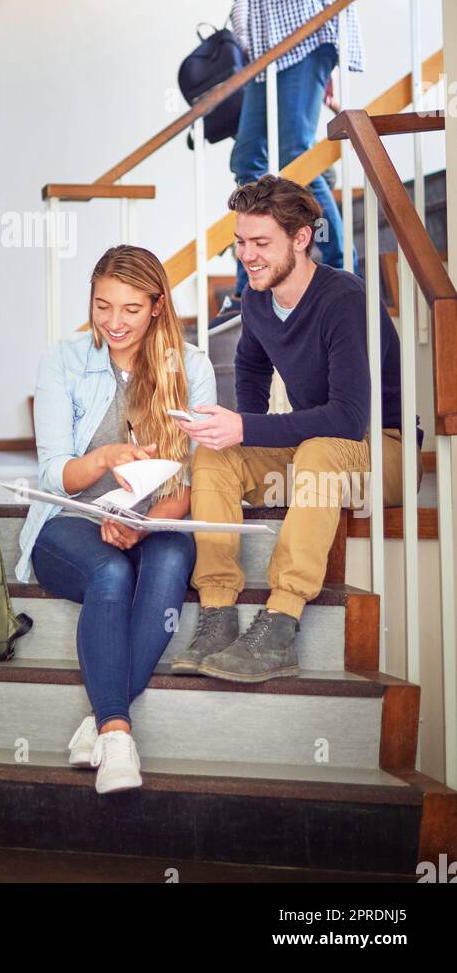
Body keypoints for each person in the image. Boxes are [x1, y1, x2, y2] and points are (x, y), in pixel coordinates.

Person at [173, 175, 422, 683]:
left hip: (381, 450)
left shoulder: (343, 299)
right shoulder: (259, 299)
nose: (248, 255)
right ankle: (218, 611)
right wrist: (245, 430)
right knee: (212, 455)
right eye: (241, 242)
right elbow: (250, 365)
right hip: (316, 451)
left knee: (320, 451)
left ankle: (281, 624)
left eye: (261, 243)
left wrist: (247, 426)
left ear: (301, 238)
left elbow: (350, 419)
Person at [16, 245, 217, 794]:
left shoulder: (192, 367)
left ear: (157, 305)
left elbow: (192, 482)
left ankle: (101, 722)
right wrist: (105, 459)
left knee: (173, 554)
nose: (114, 322)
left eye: (130, 308)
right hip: (70, 521)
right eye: (102, 306)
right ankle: (120, 733)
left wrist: (143, 523)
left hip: (153, 519)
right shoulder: (63, 359)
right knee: (111, 573)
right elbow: (55, 475)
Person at [198, 0, 361, 328]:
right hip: (274, 54)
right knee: (249, 159)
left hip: (301, 45)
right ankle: (253, 284)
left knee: (295, 159)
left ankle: (331, 268)